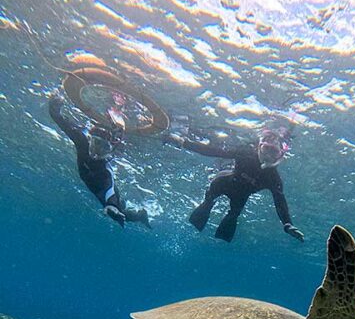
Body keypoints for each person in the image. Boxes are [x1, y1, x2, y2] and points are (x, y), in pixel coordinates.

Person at [164, 127, 304, 243]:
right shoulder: (246, 153)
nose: (268, 155)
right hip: (222, 182)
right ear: (259, 146)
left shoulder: (273, 177)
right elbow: (214, 151)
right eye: (267, 149)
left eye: (273, 152)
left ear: (280, 156)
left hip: (240, 197)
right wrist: (183, 142)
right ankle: (207, 206)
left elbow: (280, 201)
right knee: (208, 202)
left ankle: (219, 235)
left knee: (233, 215)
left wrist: (287, 224)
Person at [48, 94, 150, 228]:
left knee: (118, 213)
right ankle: (132, 213)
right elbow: (64, 124)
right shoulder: (82, 141)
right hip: (91, 180)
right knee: (116, 210)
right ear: (91, 140)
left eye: (104, 148)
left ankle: (140, 216)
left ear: (110, 152)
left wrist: (112, 205)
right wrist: (54, 110)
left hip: (99, 188)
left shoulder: (105, 170)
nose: (98, 151)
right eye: (97, 144)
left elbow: (110, 190)